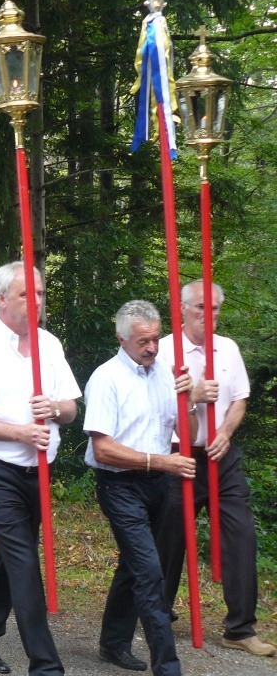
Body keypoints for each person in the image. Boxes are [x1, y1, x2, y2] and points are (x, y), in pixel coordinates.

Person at [0, 261, 80, 676]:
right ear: (2, 299)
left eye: (41, 294)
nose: (38, 302)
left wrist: (55, 408)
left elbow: (72, 410)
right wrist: (19, 432)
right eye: (28, 294)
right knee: (24, 560)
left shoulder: (50, 345)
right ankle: (46, 666)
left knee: (11, 557)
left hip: (38, 470)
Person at [157, 282, 275, 658]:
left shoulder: (228, 348)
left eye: (216, 309)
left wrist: (225, 430)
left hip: (221, 458)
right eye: (200, 308)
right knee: (170, 538)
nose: (209, 315)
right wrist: (190, 400)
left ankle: (239, 628)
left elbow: (240, 398)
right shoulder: (162, 351)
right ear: (182, 309)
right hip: (179, 456)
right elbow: (155, 405)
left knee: (241, 536)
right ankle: (157, 613)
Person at [84, 300, 195, 675]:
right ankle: (168, 666)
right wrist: (160, 462)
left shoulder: (166, 373)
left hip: (158, 483)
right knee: (150, 573)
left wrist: (190, 404)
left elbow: (187, 435)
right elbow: (103, 448)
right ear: (121, 338)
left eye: (155, 340)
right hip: (120, 485)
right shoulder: (106, 378)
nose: (151, 348)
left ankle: (113, 642)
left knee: (138, 566)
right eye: (143, 341)